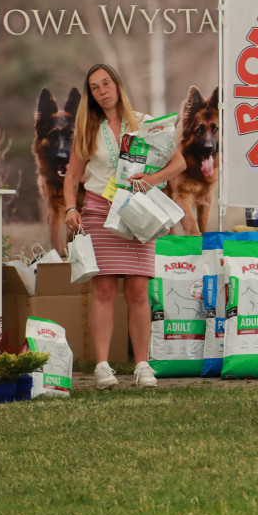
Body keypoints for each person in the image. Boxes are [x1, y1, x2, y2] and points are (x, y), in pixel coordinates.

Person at [64, 63, 186, 389]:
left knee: (138, 291)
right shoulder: (88, 129)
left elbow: (179, 162)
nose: (102, 91)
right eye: (95, 87)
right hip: (99, 212)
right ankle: (103, 367)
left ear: (118, 86)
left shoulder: (145, 124)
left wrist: (152, 179)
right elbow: (72, 178)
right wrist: (70, 208)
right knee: (103, 291)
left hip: (137, 212)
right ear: (90, 94)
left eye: (106, 84)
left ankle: (142, 365)